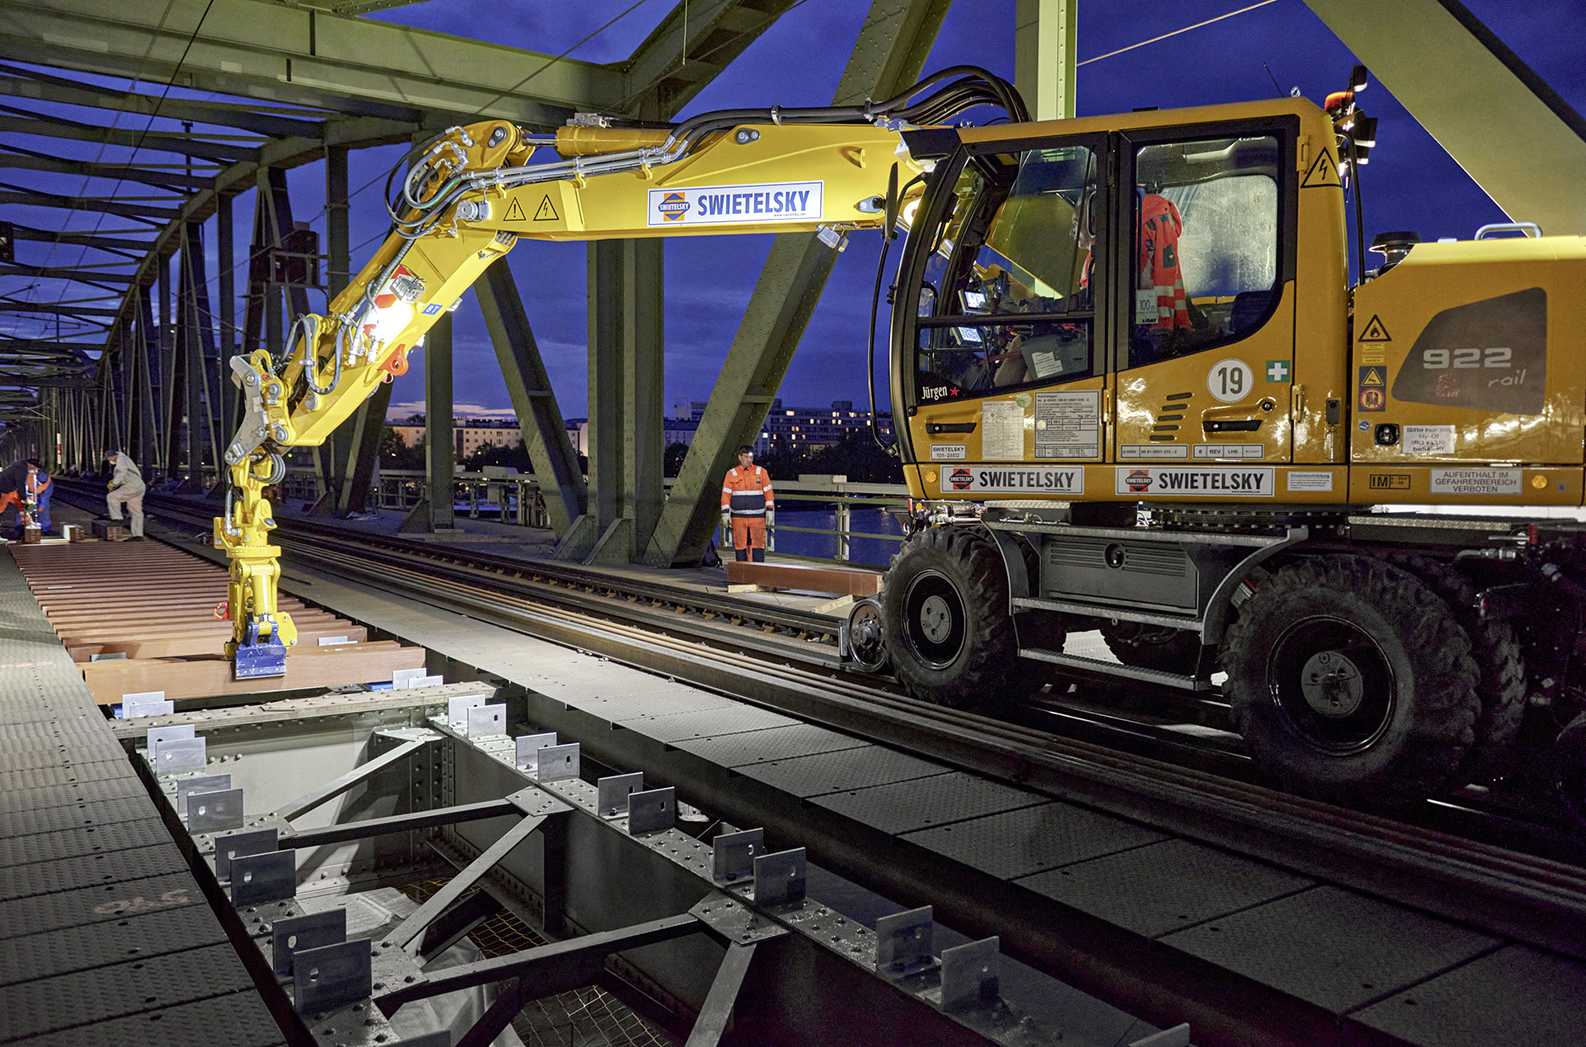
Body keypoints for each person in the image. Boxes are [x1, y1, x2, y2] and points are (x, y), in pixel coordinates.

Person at [720, 444, 775, 563]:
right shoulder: (731, 474)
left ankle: (758, 574)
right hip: (738, 517)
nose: (749, 460)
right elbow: (726, 495)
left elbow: (769, 492)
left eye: (751, 457)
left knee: (758, 545)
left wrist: (770, 511)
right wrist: (725, 513)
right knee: (740, 546)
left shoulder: (761, 472)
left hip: (757, 517)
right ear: (739, 457)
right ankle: (742, 575)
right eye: (746, 457)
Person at [104, 449, 147, 539]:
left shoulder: (121, 459)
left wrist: (113, 483)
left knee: (111, 496)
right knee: (136, 512)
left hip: (132, 486)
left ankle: (117, 518)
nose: (108, 460)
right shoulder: (125, 459)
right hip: (139, 486)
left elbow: (121, 472)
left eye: (108, 458)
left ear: (113, 456)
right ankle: (138, 535)